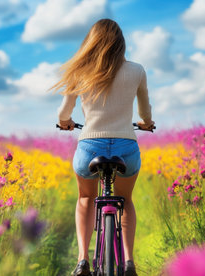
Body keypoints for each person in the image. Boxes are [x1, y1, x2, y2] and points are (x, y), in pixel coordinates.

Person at [52, 18, 154, 276]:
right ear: (121, 43)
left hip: (90, 147)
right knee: (126, 199)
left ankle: (82, 260)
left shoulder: (79, 70)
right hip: (126, 146)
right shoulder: (137, 70)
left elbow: (64, 112)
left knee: (86, 198)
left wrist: (65, 123)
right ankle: (129, 262)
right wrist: (146, 123)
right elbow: (145, 111)